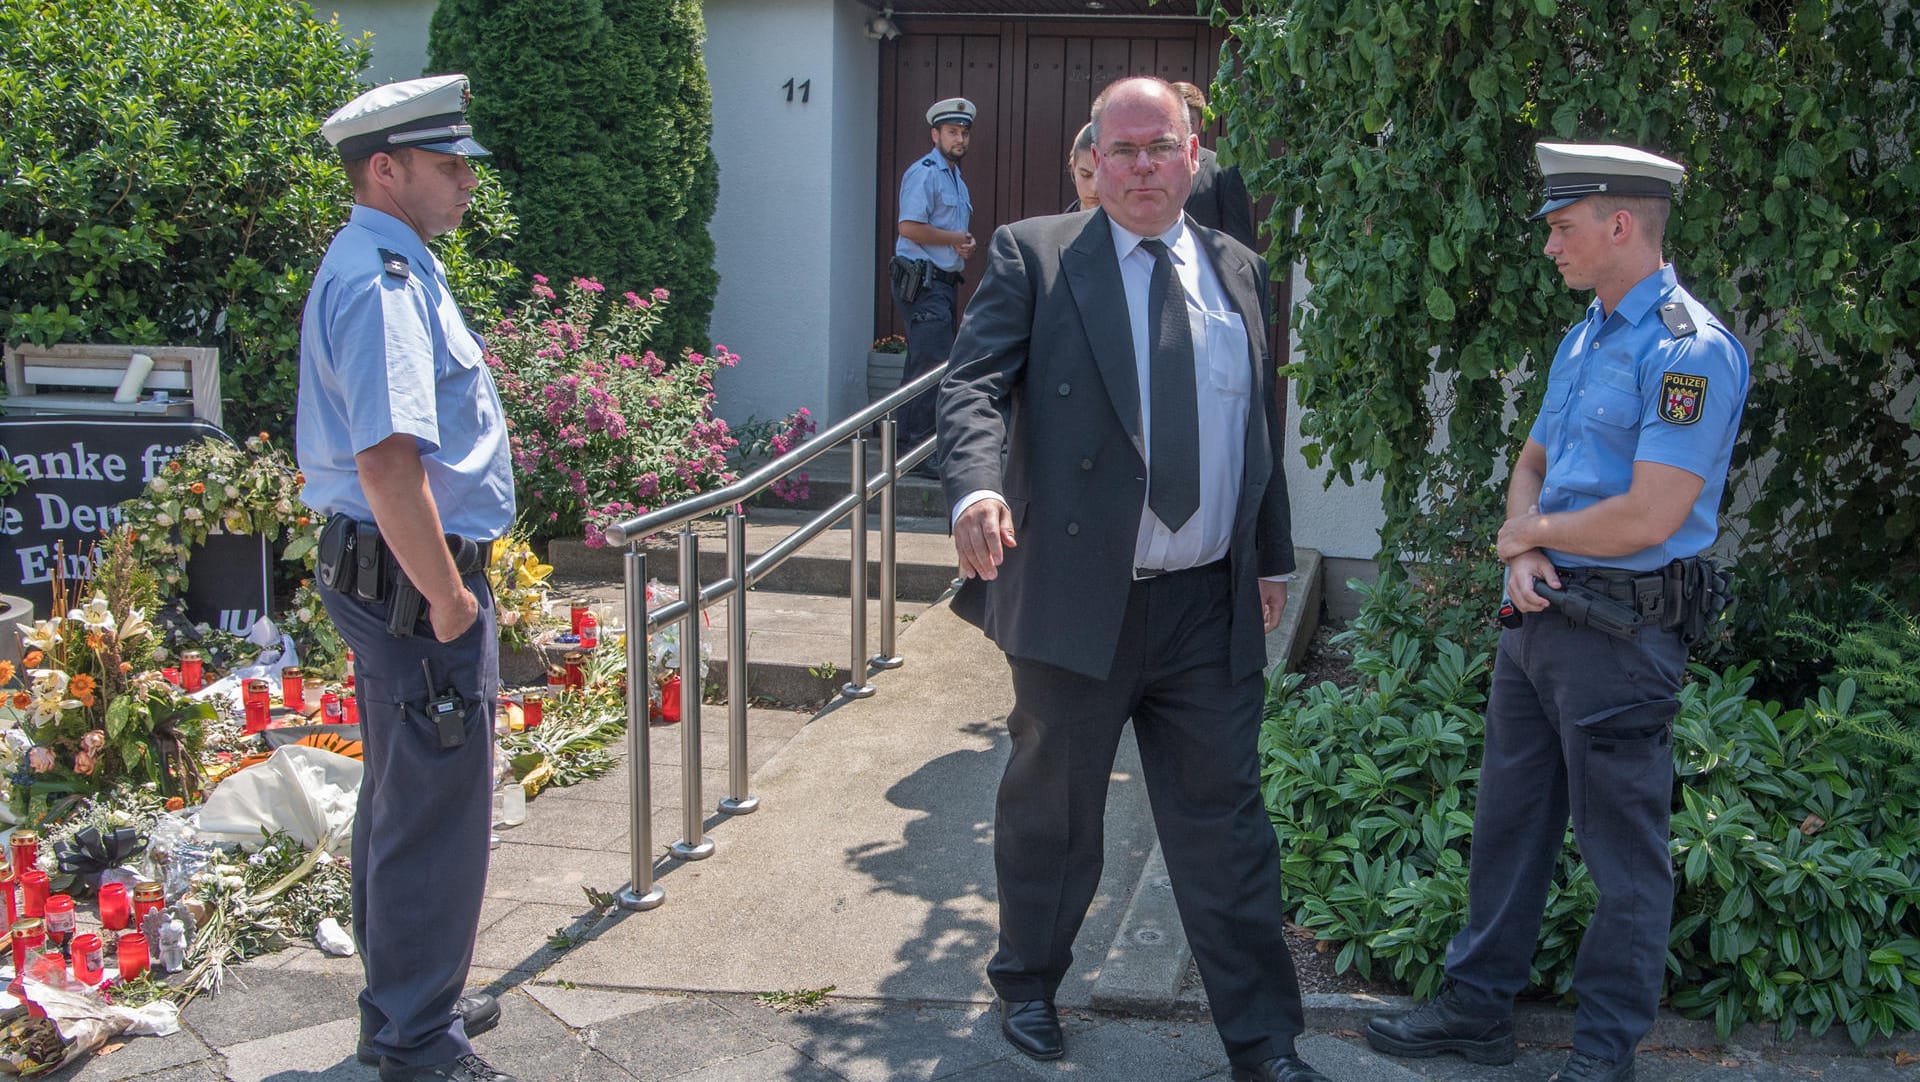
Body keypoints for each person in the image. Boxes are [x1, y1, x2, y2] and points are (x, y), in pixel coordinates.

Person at [936, 75, 1327, 1082]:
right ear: (1095, 162)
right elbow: (974, 384)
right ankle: (1028, 984)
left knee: (1228, 827)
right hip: (1079, 594)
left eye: (1162, 148)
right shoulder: (1038, 255)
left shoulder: (1238, 266)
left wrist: (1270, 554)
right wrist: (975, 490)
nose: (1144, 166)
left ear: (1193, 156)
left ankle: (1264, 1041)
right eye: (1125, 150)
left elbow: (1256, 430)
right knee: (1053, 814)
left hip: (1206, 600)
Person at [1365, 142, 1750, 1082]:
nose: (1548, 244)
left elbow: (1652, 512)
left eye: (1562, 225)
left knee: (1624, 859)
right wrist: (1523, 543)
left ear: (1621, 223)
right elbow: (1534, 461)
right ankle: (1476, 1012)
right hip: (1539, 619)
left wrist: (1527, 537)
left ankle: (1603, 1054)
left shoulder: (1685, 349)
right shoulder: (1588, 334)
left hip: (1621, 639)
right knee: (1509, 824)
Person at [297, 74, 518, 1082]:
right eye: (446, 165)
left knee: (406, 791)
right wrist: (450, 597)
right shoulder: (382, 278)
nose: (465, 182)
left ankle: (410, 990)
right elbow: (389, 461)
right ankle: (416, 1038)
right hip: (408, 577)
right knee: (433, 806)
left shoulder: (393, 263)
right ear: (384, 170)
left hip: (391, 568)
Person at [890, 96, 977, 477]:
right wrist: (954, 237)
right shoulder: (925, 171)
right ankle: (919, 451)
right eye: (952, 132)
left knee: (923, 365)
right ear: (935, 134)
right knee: (932, 367)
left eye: (963, 133)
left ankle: (908, 447)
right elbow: (908, 227)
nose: (959, 139)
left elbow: (941, 233)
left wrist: (961, 244)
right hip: (922, 282)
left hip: (940, 282)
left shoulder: (953, 176)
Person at [1169, 81, 1256, 249]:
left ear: (1200, 126)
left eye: (1190, 122)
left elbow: (1239, 242)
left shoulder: (1223, 171)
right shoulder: (1143, 165)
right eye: (1174, 121)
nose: (1181, 130)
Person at [1065, 122, 1098, 212]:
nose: (1094, 188)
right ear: (1073, 166)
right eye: (1085, 175)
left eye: (1104, 177)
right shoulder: (1057, 225)